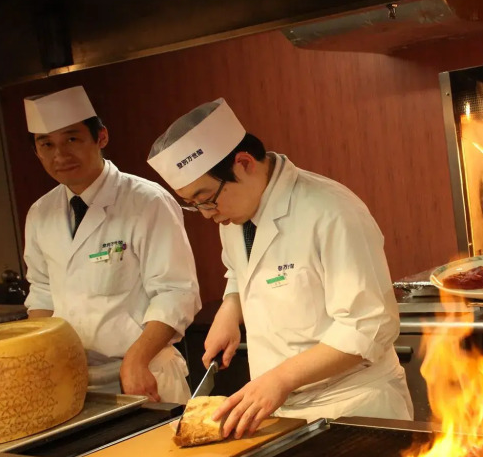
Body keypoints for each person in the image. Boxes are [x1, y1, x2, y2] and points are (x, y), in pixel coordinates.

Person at [147, 99, 412, 437]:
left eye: (207, 198)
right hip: (283, 412)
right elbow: (240, 272)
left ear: (244, 164)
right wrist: (230, 310)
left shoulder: (331, 211)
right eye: (193, 204)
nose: (207, 214)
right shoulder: (234, 214)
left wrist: (282, 378)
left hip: (353, 406)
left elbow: (369, 325)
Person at [22, 86, 201, 404]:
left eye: (72, 139)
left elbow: (176, 292)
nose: (59, 155)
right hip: (73, 378)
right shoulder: (40, 212)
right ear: (36, 151)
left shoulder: (147, 201)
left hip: (143, 372)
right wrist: (39, 358)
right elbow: (42, 292)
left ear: (101, 137)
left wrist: (137, 359)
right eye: (46, 144)